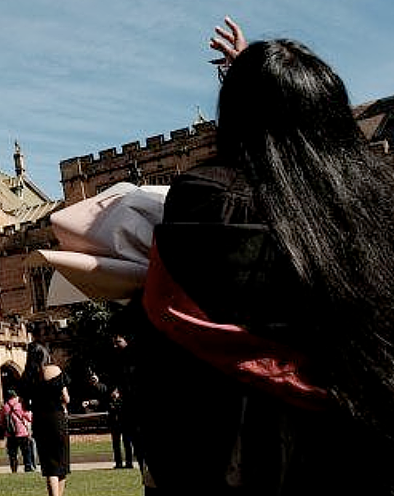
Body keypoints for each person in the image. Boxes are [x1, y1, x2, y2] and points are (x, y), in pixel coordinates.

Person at [133, 17, 394, 495]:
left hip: (237, 450)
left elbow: (168, 330)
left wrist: (249, 82)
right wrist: (267, 79)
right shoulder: (371, 207)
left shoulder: (204, 198)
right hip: (356, 449)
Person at [21, 342, 70, 496]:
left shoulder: (27, 376)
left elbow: (25, 406)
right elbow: (66, 398)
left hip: (40, 421)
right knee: (61, 464)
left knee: (50, 467)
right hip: (57, 419)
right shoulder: (55, 370)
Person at [0, 389, 35, 473]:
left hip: (10, 434)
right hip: (22, 432)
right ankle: (28, 466)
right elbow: (29, 417)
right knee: (26, 451)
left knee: (13, 453)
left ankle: (14, 468)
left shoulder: (5, 407)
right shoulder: (20, 405)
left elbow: (1, 421)